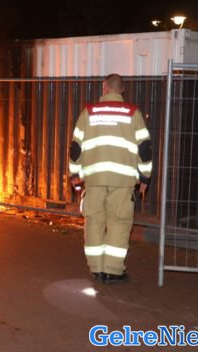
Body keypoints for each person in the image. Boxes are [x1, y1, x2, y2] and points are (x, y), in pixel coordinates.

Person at [69, 74, 152, 285]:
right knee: (119, 222)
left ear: (104, 88)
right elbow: (144, 148)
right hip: (123, 180)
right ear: (122, 90)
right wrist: (145, 176)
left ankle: (96, 269)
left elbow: (76, 148)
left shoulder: (89, 112)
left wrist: (75, 175)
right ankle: (113, 271)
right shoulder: (133, 113)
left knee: (94, 222)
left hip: (94, 179)